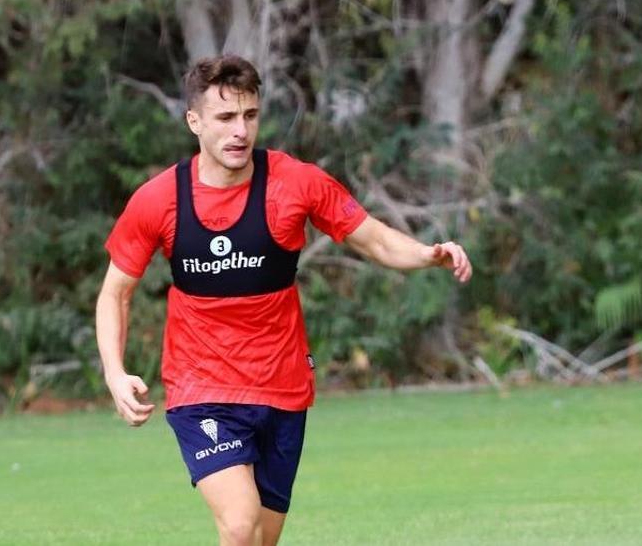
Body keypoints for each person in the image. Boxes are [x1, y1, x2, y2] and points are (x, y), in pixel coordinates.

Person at [95, 55, 472, 546]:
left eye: (250, 116)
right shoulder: (159, 199)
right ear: (195, 122)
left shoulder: (295, 182)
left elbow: (372, 239)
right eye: (225, 118)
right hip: (202, 385)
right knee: (239, 524)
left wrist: (428, 254)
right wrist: (114, 371)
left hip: (282, 386)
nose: (240, 131)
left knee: (260, 539)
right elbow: (114, 293)